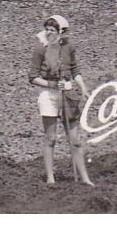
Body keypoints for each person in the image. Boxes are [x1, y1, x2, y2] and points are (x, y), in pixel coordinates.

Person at [29, 14, 95, 186]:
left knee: (75, 140)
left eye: (53, 30)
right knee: (50, 138)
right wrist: (51, 84)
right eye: (47, 30)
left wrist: (83, 87)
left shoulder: (68, 46)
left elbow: (74, 69)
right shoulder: (40, 49)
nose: (49, 33)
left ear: (61, 32)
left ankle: (85, 179)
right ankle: (51, 179)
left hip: (67, 93)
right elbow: (33, 77)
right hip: (48, 94)